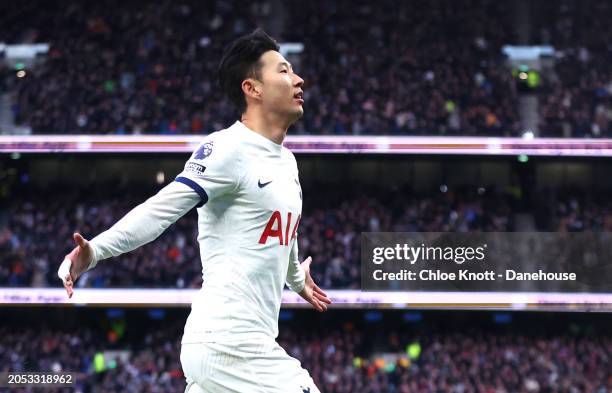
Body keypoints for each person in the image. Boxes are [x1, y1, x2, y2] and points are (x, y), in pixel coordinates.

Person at [57, 29, 331, 393]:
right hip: (230, 341)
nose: (298, 79)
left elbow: (283, 230)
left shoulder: (287, 162)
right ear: (253, 88)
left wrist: (297, 279)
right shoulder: (227, 148)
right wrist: (95, 251)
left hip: (228, 348)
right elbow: (161, 209)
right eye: (283, 71)